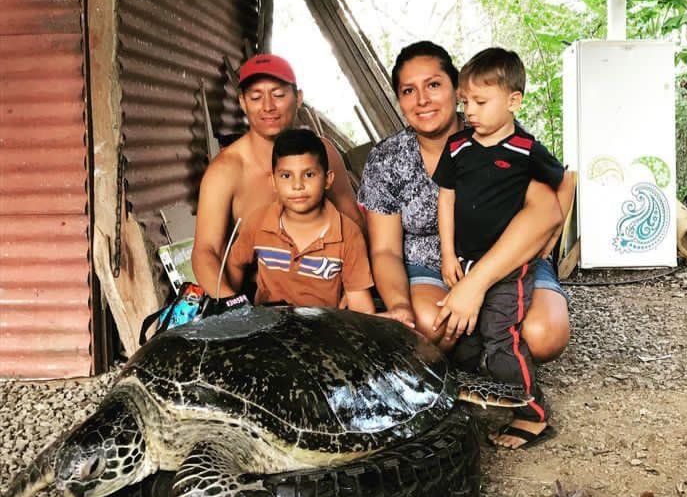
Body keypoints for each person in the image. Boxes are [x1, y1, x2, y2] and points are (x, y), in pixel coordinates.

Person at [357, 40, 574, 449]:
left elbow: (545, 212)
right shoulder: (387, 159)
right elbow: (384, 250)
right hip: (432, 266)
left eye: (434, 85)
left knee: (544, 332)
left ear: (455, 88)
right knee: (429, 326)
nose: (422, 100)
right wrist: (398, 306)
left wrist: (473, 287)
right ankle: (474, 377)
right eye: (408, 90)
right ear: (399, 99)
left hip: (509, 260)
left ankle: (522, 398)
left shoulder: (497, 135)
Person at [433, 47, 565, 446]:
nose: (470, 111)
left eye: (480, 102)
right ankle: (480, 400)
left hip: (509, 269)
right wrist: (446, 252)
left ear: (513, 101)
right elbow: (446, 198)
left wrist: (552, 235)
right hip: (465, 263)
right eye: (465, 102)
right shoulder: (458, 148)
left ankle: (532, 413)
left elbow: (563, 183)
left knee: (500, 336)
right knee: (465, 337)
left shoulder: (526, 150)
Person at [191, 54, 362, 299]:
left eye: (279, 95)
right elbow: (205, 251)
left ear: (299, 97)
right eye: (256, 97)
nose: (268, 106)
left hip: (327, 287)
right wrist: (230, 302)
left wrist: (354, 288)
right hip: (262, 299)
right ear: (242, 102)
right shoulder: (226, 170)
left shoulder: (322, 151)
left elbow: (353, 220)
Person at [225, 129, 375, 312]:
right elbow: (235, 263)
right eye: (286, 176)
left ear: (328, 179)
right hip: (268, 326)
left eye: (309, 175)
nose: (297, 185)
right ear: (273, 182)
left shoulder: (349, 234)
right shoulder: (258, 222)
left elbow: (360, 303)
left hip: (322, 328)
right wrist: (232, 307)